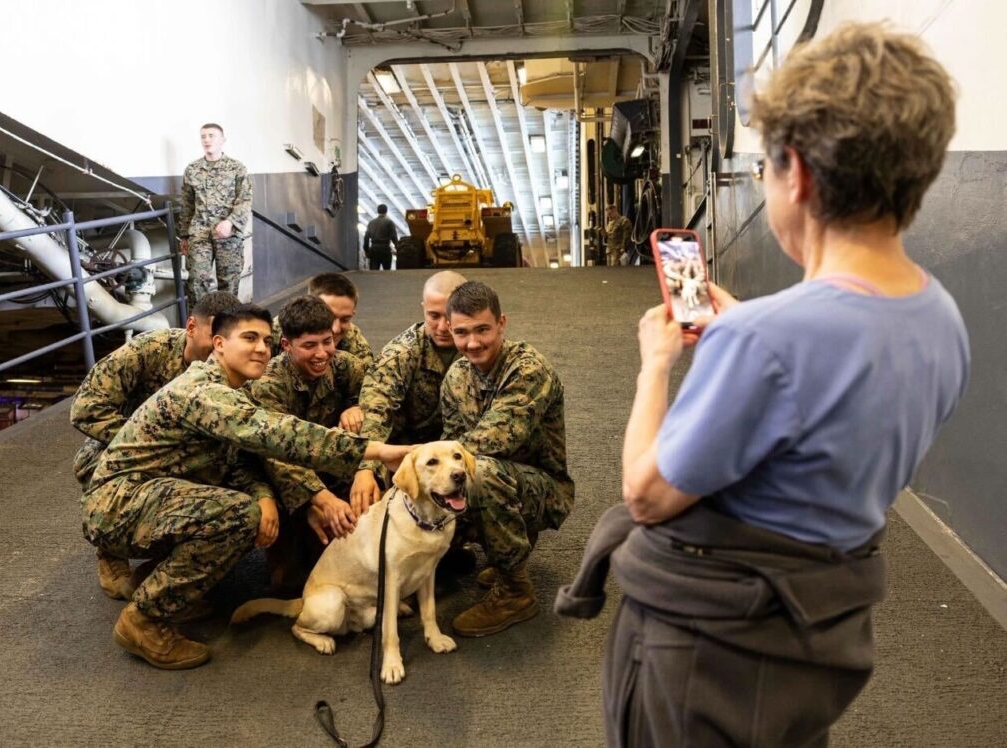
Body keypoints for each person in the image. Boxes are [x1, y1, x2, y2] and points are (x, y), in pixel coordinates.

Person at [558, 24, 970, 746]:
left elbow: (647, 495)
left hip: (713, 649)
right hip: (819, 631)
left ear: (799, 176)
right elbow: (835, 379)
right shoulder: (939, 315)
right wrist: (752, 331)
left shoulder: (767, 341)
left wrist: (656, 365)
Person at [82, 304, 410, 670]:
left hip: (156, 494)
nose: (261, 349)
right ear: (219, 344)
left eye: (266, 341)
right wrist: (376, 451)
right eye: (249, 338)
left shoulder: (234, 388)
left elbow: (239, 458)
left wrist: (265, 495)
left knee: (252, 507)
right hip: (119, 503)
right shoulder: (203, 392)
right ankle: (142, 620)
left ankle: (162, 583)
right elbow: (278, 434)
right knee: (237, 516)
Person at [71, 291, 240, 599]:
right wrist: (142, 443)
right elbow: (87, 408)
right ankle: (110, 549)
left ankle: (170, 550)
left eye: (228, 336)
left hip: (190, 453)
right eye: (213, 334)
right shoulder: (148, 350)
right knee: (94, 465)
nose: (220, 345)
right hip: (123, 449)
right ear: (191, 327)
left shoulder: (235, 367)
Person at [440, 281, 574, 637]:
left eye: (483, 329)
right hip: (502, 480)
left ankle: (515, 592)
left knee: (477, 472)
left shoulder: (528, 369)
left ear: (501, 323)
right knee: (447, 476)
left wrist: (420, 458)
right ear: (450, 330)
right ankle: (499, 554)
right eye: (462, 332)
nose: (473, 343)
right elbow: (451, 441)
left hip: (542, 490)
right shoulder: (455, 377)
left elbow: (495, 438)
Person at [249, 296, 366, 586]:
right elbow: (275, 453)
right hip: (286, 482)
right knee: (288, 583)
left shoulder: (346, 368)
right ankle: (290, 541)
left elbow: (378, 403)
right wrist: (319, 499)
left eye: (327, 341)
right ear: (287, 346)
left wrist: (358, 406)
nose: (322, 353)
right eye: (309, 345)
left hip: (330, 471)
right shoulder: (270, 384)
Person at [347, 270, 467, 515]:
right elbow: (376, 410)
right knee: (364, 471)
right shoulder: (401, 353)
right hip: (403, 448)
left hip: (457, 446)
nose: (442, 326)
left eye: (449, 317)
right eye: (433, 316)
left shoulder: (477, 348)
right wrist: (365, 469)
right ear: (423, 307)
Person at [178, 123, 253, 305]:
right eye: (203, 136)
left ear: (222, 140)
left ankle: (228, 324)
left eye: (211, 136)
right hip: (200, 234)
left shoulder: (236, 168)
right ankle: (200, 324)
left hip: (228, 235)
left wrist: (231, 222)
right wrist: (184, 236)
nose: (207, 140)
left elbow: (245, 199)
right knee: (196, 281)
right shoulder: (192, 169)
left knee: (228, 283)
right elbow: (187, 204)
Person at [363, 203, 399, 271]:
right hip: (385, 249)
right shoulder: (389, 222)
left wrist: (367, 250)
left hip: (374, 250)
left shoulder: (371, 223)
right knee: (386, 271)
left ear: (377, 211)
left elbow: (366, 238)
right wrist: (398, 249)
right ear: (386, 211)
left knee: (374, 272)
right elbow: (394, 237)